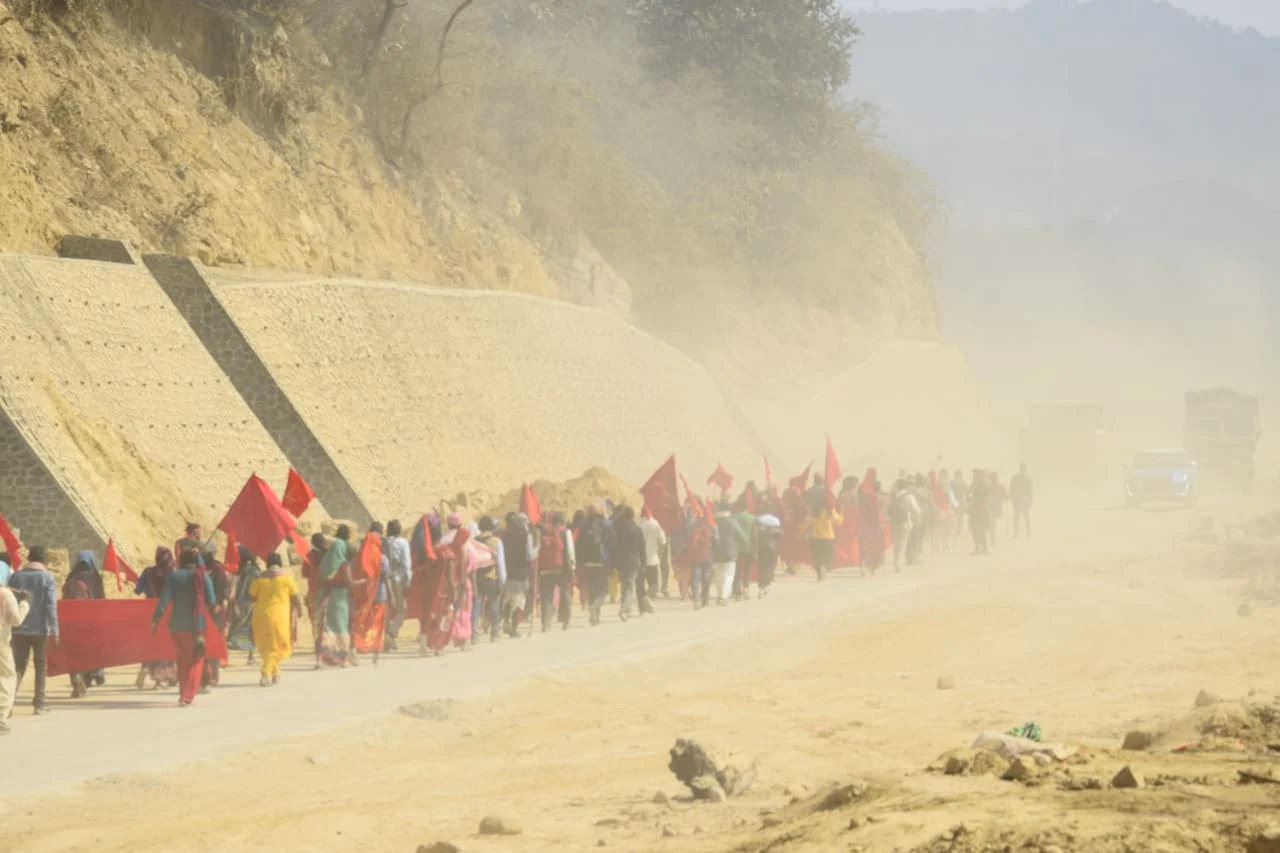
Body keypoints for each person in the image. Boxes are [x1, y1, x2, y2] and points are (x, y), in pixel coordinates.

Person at [151, 549, 216, 706]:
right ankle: (187, 696)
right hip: (196, 626)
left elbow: (164, 600)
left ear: (180, 560)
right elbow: (212, 600)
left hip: (176, 626)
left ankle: (183, 692)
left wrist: (155, 620)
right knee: (197, 659)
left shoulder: (174, 576)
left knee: (182, 659)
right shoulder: (203, 576)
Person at [9, 547, 58, 715]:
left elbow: (9, 601)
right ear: (44, 560)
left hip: (18, 628)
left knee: (18, 665)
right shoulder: (47, 578)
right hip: (41, 629)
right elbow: (51, 606)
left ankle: (8, 703)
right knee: (41, 665)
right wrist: (55, 629)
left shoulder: (16, 576)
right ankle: (39, 703)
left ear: (29, 558)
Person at [249, 553, 302, 686]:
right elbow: (295, 597)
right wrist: (299, 609)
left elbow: (251, 597)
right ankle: (265, 674)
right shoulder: (287, 579)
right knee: (276, 645)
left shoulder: (259, 580)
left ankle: (276, 672)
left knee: (267, 645)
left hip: (260, 616)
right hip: (279, 617)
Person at [315, 526, 365, 667]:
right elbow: (350, 583)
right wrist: (363, 581)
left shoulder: (327, 566)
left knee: (327, 629)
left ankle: (320, 659)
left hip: (328, 598)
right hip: (342, 600)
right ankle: (342, 660)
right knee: (343, 628)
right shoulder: (344, 565)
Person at [61, 550, 106, 698]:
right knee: (92, 648)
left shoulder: (71, 576)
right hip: (91, 619)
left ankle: (77, 679)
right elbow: (101, 598)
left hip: (73, 620)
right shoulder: (96, 577)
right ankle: (94, 674)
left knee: (74, 650)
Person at [135, 547, 177, 689]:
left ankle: (149, 670)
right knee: (168, 644)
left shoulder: (148, 572)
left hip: (150, 612)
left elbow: (137, 590)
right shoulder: (173, 573)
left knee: (152, 642)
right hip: (169, 612)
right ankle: (167, 677)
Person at [500, 513, 537, 637]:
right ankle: (514, 627)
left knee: (508, 599)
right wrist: (537, 549)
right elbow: (529, 556)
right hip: (522, 573)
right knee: (520, 600)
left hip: (508, 571)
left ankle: (506, 621)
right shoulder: (527, 536)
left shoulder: (504, 536)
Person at [537, 512, 575, 631]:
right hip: (561, 569)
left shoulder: (542, 532)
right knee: (565, 594)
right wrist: (572, 567)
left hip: (545, 569)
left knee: (546, 597)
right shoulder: (565, 532)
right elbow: (570, 550)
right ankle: (565, 620)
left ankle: (546, 623)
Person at [200, 540, 230, 689]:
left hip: (216, 614)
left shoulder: (219, 570)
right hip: (201, 612)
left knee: (214, 646)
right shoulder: (199, 570)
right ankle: (205, 676)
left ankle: (214, 676)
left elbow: (225, 589)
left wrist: (218, 604)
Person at [0, 580, 30, 732]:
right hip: (1, 642)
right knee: (7, 677)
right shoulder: (5, 594)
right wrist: (24, 603)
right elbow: (16, 619)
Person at [470, 516, 505, 642]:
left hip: (476, 576)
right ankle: (495, 632)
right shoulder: (496, 541)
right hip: (491, 576)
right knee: (494, 603)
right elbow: (500, 564)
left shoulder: (473, 540)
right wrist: (502, 582)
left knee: (476, 605)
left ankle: (474, 634)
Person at [576, 504, 610, 626]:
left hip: (587, 562)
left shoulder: (584, 526)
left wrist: (579, 561)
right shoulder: (607, 524)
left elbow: (578, 545)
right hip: (602, 561)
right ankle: (595, 606)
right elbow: (613, 542)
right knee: (603, 590)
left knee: (591, 588)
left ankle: (594, 616)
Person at [382, 519, 413, 650]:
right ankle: (391, 633)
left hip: (385, 579)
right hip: (398, 578)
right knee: (402, 610)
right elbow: (406, 564)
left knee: (387, 609)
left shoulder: (383, 542)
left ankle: (386, 637)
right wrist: (409, 581)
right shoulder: (402, 542)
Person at [226, 545, 261, 656]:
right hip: (250, 601)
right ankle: (251, 654)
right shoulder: (253, 570)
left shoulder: (247, 570)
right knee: (251, 627)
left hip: (244, 601)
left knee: (238, 625)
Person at [612, 506, 645, 621]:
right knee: (629, 586)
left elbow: (614, 546)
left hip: (621, 561)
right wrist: (643, 563)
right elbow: (642, 549)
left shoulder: (617, 528)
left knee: (626, 585)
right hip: (634, 561)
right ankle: (625, 610)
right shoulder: (637, 529)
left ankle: (624, 607)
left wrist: (614, 562)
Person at [711, 504, 748, 605]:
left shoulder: (712, 522)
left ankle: (720, 595)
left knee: (718, 576)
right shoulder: (732, 522)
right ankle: (723, 596)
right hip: (730, 553)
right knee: (728, 575)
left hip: (714, 553)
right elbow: (742, 537)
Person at [803, 500, 843, 582]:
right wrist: (841, 513)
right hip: (828, 537)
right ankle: (824, 567)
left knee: (817, 556)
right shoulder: (830, 511)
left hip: (816, 537)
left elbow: (807, 522)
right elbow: (838, 522)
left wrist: (803, 532)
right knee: (828, 556)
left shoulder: (814, 512)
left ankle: (819, 573)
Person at [858, 471, 888, 575]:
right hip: (878, 525)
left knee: (867, 546)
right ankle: (874, 566)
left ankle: (866, 564)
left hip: (866, 525)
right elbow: (883, 512)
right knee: (878, 546)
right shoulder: (881, 498)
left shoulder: (863, 497)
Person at [637, 508, 666, 613]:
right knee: (653, 585)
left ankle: (642, 608)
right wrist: (661, 552)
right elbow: (662, 541)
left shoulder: (638, 524)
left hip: (640, 560)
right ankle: (648, 597)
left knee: (640, 585)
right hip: (653, 559)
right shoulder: (655, 524)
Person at [888, 482, 921, 572]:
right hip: (905, 523)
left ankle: (896, 562)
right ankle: (898, 565)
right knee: (902, 544)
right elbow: (916, 510)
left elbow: (887, 510)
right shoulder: (909, 497)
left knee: (896, 544)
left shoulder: (893, 496)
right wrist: (917, 519)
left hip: (894, 523)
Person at [687, 508, 716, 609]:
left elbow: (688, 541)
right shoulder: (710, 527)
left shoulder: (691, 526)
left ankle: (695, 598)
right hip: (707, 556)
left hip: (695, 556)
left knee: (695, 577)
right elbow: (716, 542)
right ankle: (705, 599)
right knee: (706, 578)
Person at [730, 499, 758, 600]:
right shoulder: (752, 518)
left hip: (735, 548)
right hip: (749, 548)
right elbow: (754, 535)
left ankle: (737, 591)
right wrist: (756, 549)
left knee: (736, 570)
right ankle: (746, 587)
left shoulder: (732, 518)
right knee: (748, 569)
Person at [834, 477, 861, 571]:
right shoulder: (857, 495)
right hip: (853, 519)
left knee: (844, 540)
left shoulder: (842, 495)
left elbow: (839, 509)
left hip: (843, 520)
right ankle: (853, 560)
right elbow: (858, 509)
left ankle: (844, 559)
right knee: (853, 540)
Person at [755, 513, 781, 597]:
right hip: (771, 549)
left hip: (761, 549)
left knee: (761, 566)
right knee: (769, 567)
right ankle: (765, 584)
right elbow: (780, 536)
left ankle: (761, 586)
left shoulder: (759, 529)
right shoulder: (776, 528)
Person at [968, 469, 991, 555]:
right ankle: (977, 547)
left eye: (976, 474)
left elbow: (985, 497)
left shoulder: (983, 484)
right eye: (974, 474)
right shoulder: (974, 483)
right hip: (974, 510)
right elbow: (969, 493)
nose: (975, 476)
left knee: (981, 529)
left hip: (981, 510)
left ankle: (984, 548)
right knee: (974, 529)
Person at [1010, 464, 1033, 539]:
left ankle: (1019, 533)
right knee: (1024, 517)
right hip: (1023, 500)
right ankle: (1026, 534)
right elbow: (1030, 491)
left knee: (1019, 517)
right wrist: (1030, 501)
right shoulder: (1027, 478)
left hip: (1020, 500)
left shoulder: (1015, 478)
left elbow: (1012, 489)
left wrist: (1013, 499)